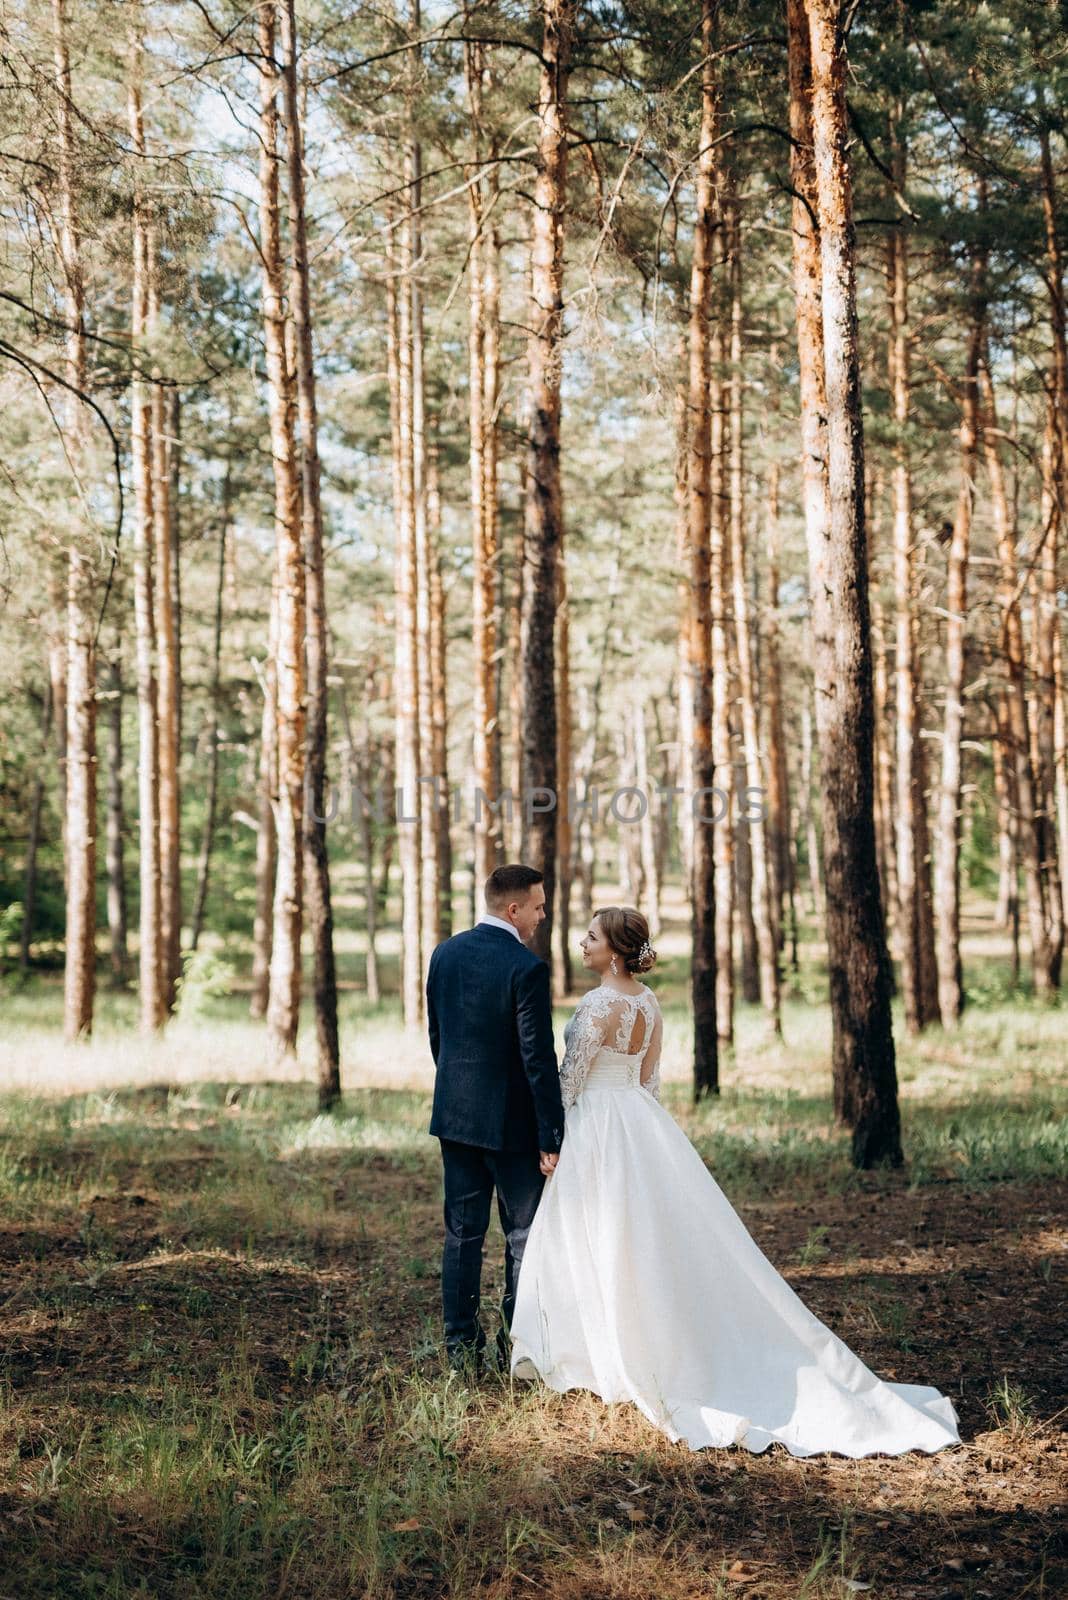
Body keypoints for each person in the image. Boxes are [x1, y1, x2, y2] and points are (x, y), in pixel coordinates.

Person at [508, 905, 961, 1458]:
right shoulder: (648, 1004)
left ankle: (600, 1349)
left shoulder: (598, 1004)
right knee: (644, 1238)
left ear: (617, 952)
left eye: (593, 937)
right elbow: (649, 1079)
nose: (583, 943)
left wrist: (551, 1136)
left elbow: (569, 1079)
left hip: (599, 1125)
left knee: (597, 1235)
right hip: (643, 1125)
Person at [426, 864, 565, 1374]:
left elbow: (438, 1036)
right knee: (522, 1236)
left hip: (456, 1118)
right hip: (513, 1128)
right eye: (538, 906)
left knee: (462, 1234)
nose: (542, 915)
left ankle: (461, 1351)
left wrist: (460, 1095)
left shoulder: (445, 953)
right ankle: (516, 1347)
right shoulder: (525, 967)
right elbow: (538, 1058)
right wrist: (551, 1133)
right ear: (514, 910)